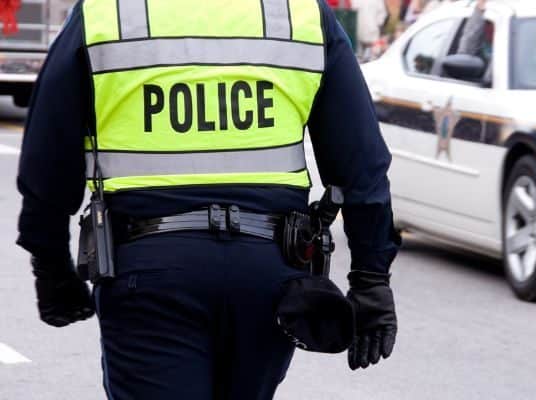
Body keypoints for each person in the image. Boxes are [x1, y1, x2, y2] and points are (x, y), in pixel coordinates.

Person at [16, 0, 400, 399]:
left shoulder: (108, 11)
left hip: (149, 271)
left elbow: (49, 150)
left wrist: (50, 263)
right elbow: (361, 162)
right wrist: (371, 277)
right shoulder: (299, 13)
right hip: (269, 272)